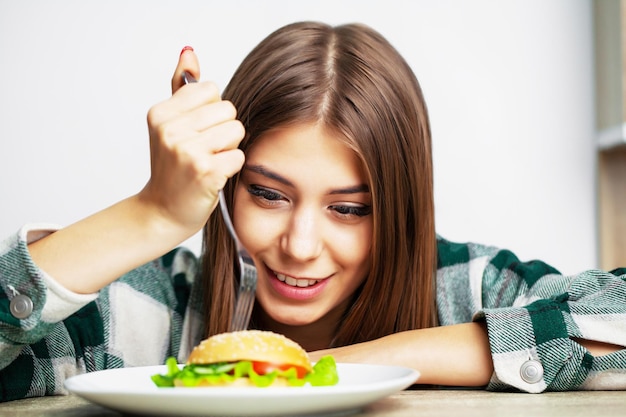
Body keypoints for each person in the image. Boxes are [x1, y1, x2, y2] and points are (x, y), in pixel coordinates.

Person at [0, 21, 624, 401]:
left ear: (398, 211)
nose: (300, 245)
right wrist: (153, 215)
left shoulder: (462, 289)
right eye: (268, 195)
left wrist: (322, 370)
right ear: (227, 186)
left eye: (349, 209)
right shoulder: (156, 311)